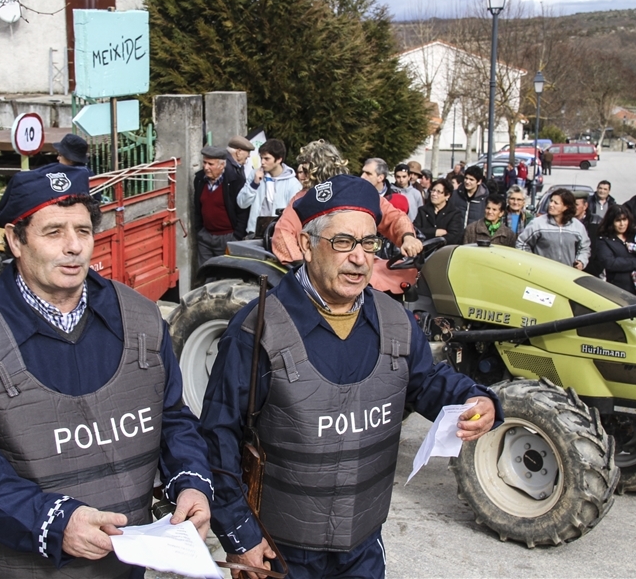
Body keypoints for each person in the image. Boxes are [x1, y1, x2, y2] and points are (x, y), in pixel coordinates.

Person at [200, 174, 502, 579]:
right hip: (280, 555)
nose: (360, 257)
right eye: (342, 242)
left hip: (362, 551)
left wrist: (475, 398)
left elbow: (426, 382)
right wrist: (241, 536)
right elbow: (217, 440)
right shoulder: (256, 333)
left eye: (369, 243)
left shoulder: (396, 321)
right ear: (306, 246)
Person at [0, 164, 213, 578]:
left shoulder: (139, 317)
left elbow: (172, 417)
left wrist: (191, 480)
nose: (74, 247)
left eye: (83, 231)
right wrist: (54, 520)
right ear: (14, 239)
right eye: (54, 232)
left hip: (125, 567)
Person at [272, 143, 422, 294]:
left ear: (320, 169)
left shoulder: (358, 191)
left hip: (360, 259)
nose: (300, 176)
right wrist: (306, 269)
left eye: (305, 171)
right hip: (328, 269)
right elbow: (283, 234)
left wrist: (407, 237)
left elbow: (393, 217)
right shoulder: (304, 199)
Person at [193, 145, 250, 265]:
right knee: (205, 275)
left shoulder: (235, 181)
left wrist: (236, 237)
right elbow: (197, 208)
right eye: (204, 163)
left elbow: (242, 211)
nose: (206, 167)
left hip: (227, 237)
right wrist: (199, 230)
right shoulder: (199, 180)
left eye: (210, 164)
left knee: (224, 277)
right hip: (205, 237)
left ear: (222, 165)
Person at [238, 138, 301, 237]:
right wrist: (254, 185)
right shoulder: (255, 174)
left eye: (267, 159)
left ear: (279, 159)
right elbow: (241, 203)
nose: (262, 162)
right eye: (261, 158)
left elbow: (295, 214)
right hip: (254, 232)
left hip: (279, 234)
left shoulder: (292, 183)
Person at [517, 188, 590, 269]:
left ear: (566, 207)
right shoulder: (537, 224)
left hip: (567, 274)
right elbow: (522, 243)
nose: (551, 205)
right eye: (551, 201)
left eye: (556, 203)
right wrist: (531, 263)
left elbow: (585, 247)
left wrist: (581, 261)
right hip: (542, 273)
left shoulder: (577, 226)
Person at [595, 205, 636, 296]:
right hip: (619, 290)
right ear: (611, 222)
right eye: (618, 221)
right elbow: (610, 263)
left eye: (624, 220)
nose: (622, 224)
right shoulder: (604, 240)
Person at [414, 179, 464, 245]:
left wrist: (436, 241)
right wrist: (435, 232)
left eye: (438, 192)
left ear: (447, 195)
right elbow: (416, 230)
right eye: (433, 190)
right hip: (424, 251)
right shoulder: (422, 210)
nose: (434, 194)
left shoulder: (454, 213)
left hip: (444, 251)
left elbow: (454, 236)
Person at [573, 191, 603, 276]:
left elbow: (600, 249)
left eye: (576, 205)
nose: (572, 208)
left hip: (591, 272)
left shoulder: (596, 222)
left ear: (585, 206)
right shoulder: (565, 223)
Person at [451, 165, 489, 230]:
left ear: (479, 181)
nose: (467, 182)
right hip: (456, 236)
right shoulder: (454, 195)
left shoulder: (485, 199)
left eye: (471, 179)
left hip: (475, 237)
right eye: (466, 178)